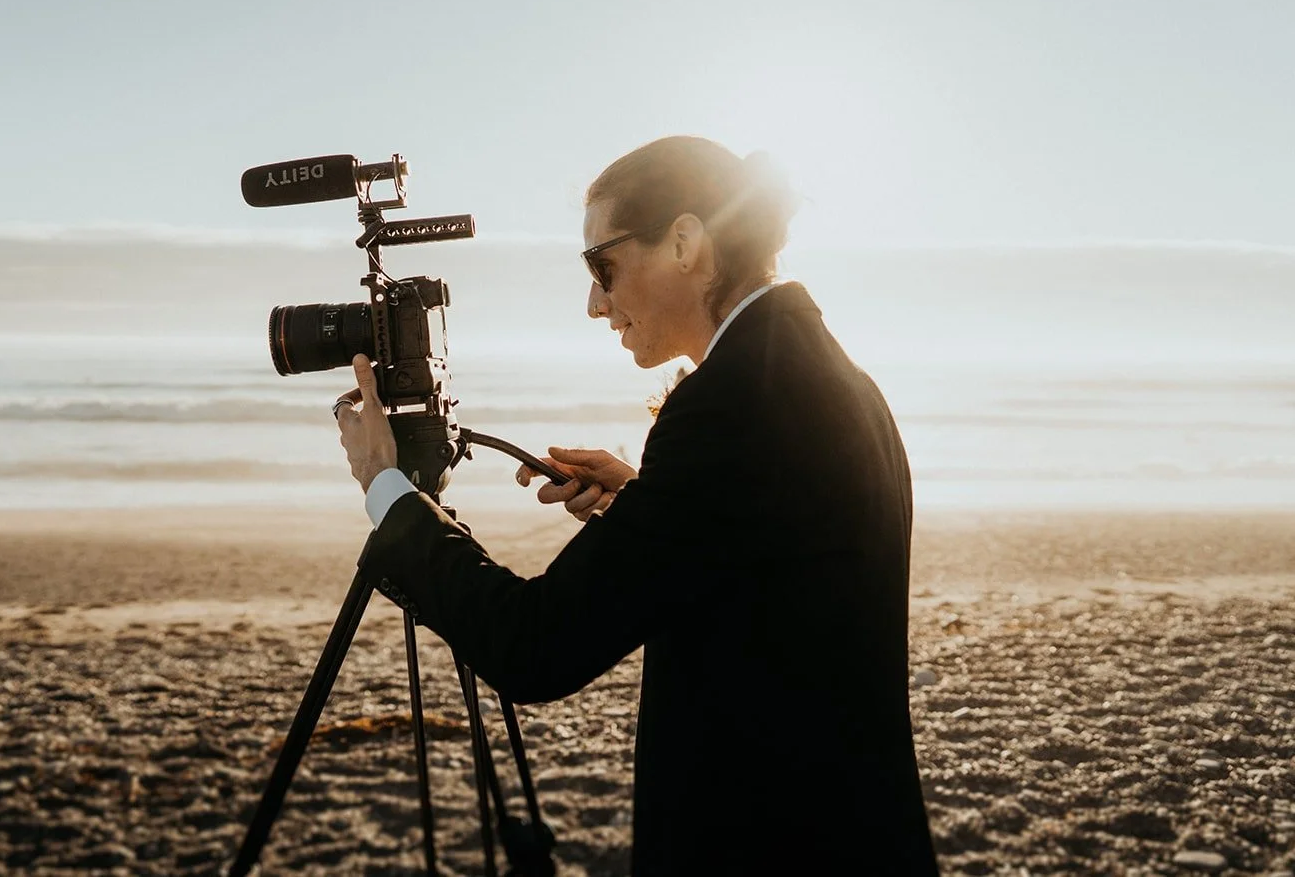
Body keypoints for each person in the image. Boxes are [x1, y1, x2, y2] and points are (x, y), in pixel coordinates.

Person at [334, 135, 939, 875]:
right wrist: (645, 504)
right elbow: (768, 558)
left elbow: (535, 647)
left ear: (684, 242)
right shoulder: (833, 377)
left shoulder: (730, 406)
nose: (595, 303)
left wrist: (387, 488)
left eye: (603, 266)